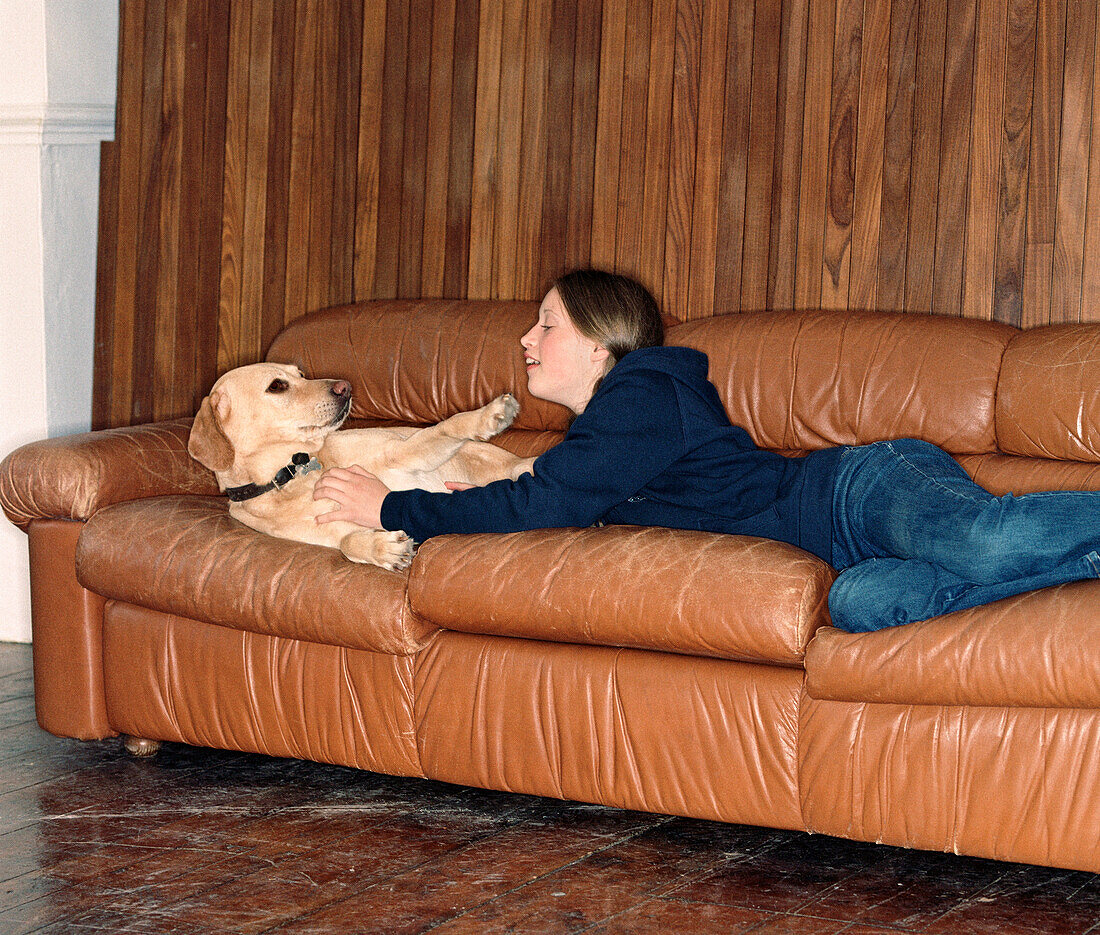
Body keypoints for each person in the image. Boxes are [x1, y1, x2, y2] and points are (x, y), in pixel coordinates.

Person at [313, 269, 1100, 632]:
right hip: (844, 555)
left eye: (547, 323)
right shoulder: (605, 437)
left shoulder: (647, 393)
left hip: (858, 489)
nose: (527, 338)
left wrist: (387, 505)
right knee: (864, 605)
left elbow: (545, 501)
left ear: (600, 345)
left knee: (985, 540)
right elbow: (551, 494)